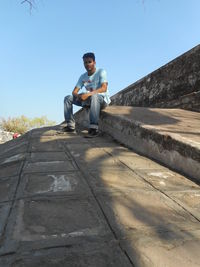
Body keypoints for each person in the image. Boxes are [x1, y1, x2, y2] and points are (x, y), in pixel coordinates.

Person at [63, 52, 110, 136]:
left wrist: (88, 94)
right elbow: (74, 91)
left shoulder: (101, 72)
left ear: (94, 62)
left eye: (89, 62)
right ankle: (70, 126)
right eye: (85, 62)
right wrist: (79, 96)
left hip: (101, 100)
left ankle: (93, 128)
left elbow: (104, 88)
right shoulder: (82, 76)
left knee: (95, 96)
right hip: (88, 100)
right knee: (68, 98)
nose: (87, 64)